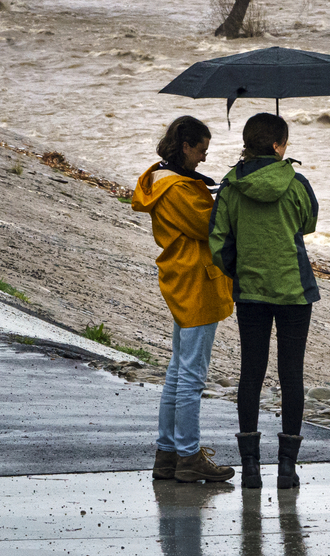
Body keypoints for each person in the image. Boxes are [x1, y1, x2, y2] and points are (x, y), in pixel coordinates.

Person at [209, 113, 319, 490]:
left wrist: (239, 272)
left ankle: (251, 468)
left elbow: (219, 241)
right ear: (276, 146)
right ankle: (287, 469)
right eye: (284, 141)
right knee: (292, 375)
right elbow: (308, 223)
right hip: (294, 291)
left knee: (251, 374)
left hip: (251, 293)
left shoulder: (230, 186)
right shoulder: (297, 184)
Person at [132, 116, 236, 483]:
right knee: (191, 376)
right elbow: (211, 226)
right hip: (197, 281)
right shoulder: (179, 189)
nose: (204, 160)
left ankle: (167, 453)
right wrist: (229, 195)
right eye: (202, 151)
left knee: (178, 372)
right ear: (186, 146)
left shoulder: (161, 179)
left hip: (182, 276)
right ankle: (189, 456)